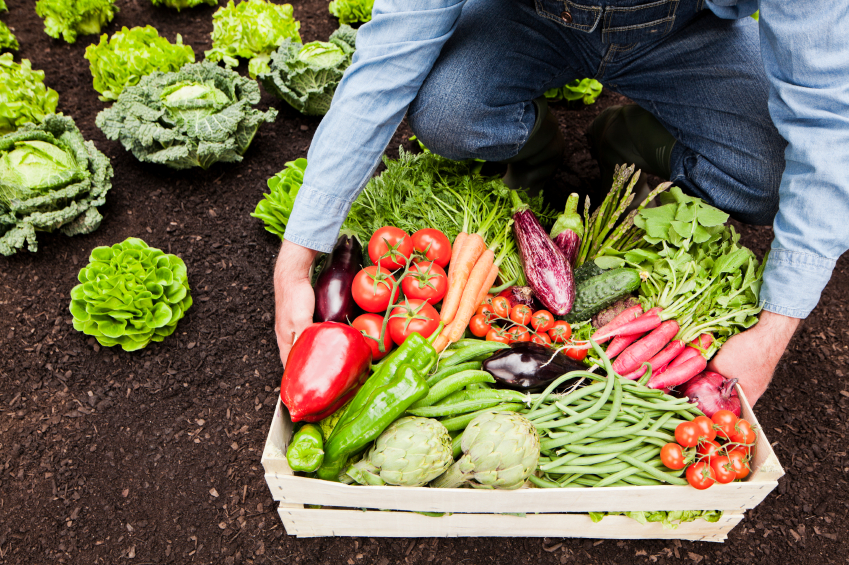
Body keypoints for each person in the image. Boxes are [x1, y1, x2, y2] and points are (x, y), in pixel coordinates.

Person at [273, 0, 849, 406]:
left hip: (683, 33)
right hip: (527, 21)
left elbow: (828, 116)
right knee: (448, 110)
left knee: (765, 176)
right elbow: (386, 59)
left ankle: (634, 139)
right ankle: (532, 139)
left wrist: (774, 333)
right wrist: (296, 257)